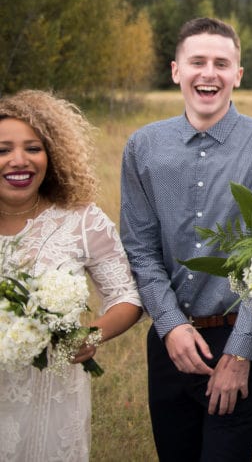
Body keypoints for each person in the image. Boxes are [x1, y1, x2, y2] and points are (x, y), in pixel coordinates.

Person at [121, 17, 252, 461]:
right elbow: (140, 248)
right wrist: (170, 325)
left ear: (237, 75)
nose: (209, 73)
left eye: (222, 63)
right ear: (176, 70)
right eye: (197, 61)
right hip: (170, 341)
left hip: (243, 341)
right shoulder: (143, 147)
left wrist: (239, 354)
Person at [0, 90, 142, 462]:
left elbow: (126, 296)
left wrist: (90, 334)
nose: (19, 161)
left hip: (51, 393)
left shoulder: (81, 219)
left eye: (33, 148)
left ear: (52, 153)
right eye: (3, 150)